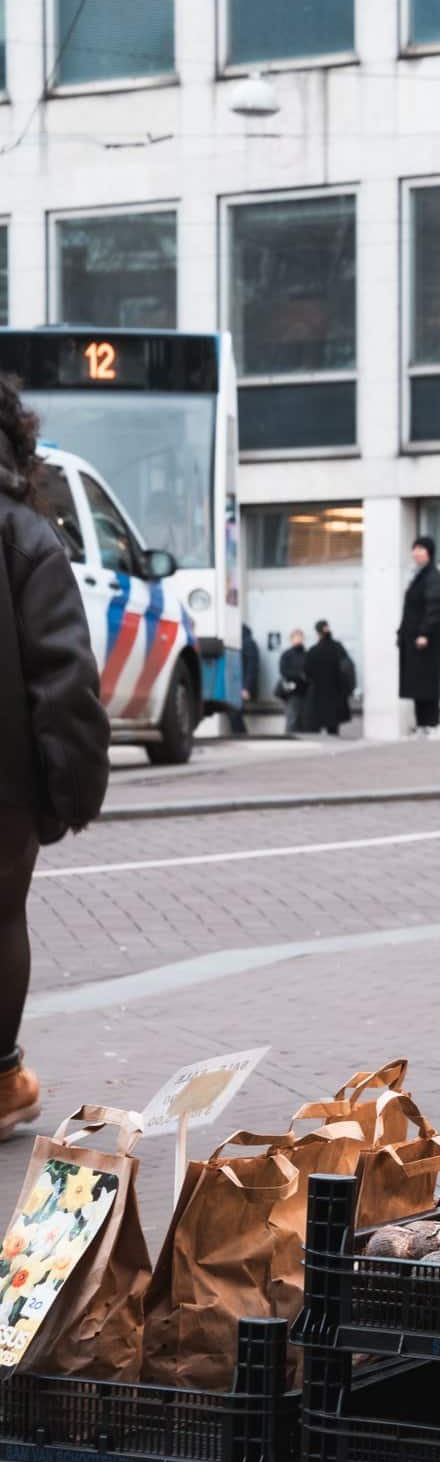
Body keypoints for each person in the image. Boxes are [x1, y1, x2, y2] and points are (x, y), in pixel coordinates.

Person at [0, 376, 111, 1135]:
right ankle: (2, 1080)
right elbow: (64, 679)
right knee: (1, 916)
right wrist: (71, 789)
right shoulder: (24, 535)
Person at [399, 536, 440, 737]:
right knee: (418, 685)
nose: (416, 553)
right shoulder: (418, 576)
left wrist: (424, 633)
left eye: (421, 549)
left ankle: (429, 724)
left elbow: (434, 606)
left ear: (429, 553)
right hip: (414, 639)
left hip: (426, 641)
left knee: (426, 683)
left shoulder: (433, 576)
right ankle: (422, 724)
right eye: (414, 549)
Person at [303, 619, 357, 737]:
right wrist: (349, 689)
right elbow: (348, 668)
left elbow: (306, 673)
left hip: (318, 696)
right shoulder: (338, 648)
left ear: (317, 633)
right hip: (336, 695)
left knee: (315, 731)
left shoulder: (313, 651)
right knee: (333, 730)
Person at [276, 628, 308, 735]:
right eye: (296, 637)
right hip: (292, 691)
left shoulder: (307, 654)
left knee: (304, 718)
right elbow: (284, 671)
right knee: (292, 717)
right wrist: (299, 675)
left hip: (305, 691)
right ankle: (290, 738)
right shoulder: (287, 654)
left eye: (300, 637)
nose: (298, 639)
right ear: (291, 639)